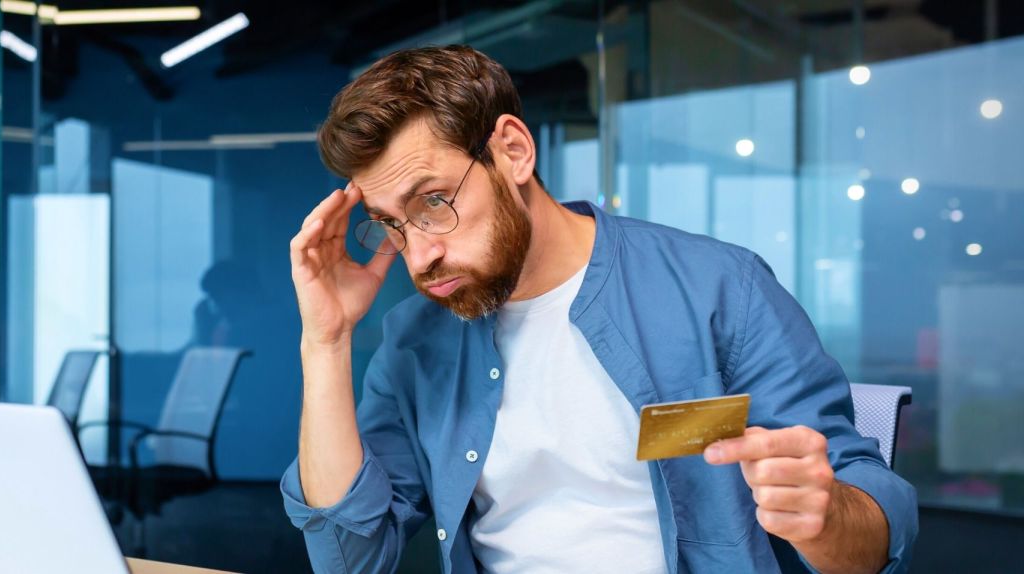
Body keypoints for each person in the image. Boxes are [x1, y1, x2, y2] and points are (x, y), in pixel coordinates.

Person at [282, 45, 916, 573]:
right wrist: (326, 341)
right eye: (392, 225)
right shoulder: (415, 341)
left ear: (512, 151)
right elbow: (349, 559)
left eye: (434, 202)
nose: (419, 257)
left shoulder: (720, 289)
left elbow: (871, 530)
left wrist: (826, 514)